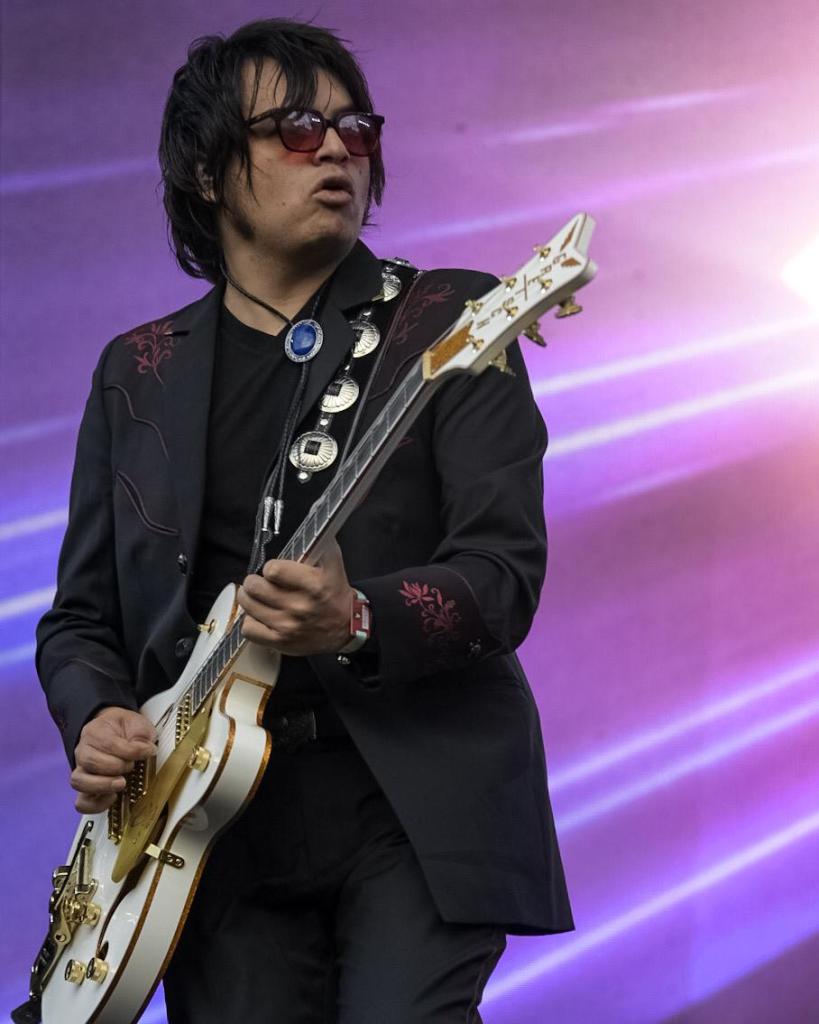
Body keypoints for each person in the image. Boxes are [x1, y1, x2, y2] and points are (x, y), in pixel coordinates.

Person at [36, 17, 573, 1023]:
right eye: (293, 127)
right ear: (208, 171)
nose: (335, 148)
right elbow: (79, 619)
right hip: (207, 831)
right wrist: (97, 716)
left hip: (411, 802)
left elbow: (503, 575)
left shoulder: (449, 319)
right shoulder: (137, 372)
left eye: (355, 128)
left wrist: (356, 618)